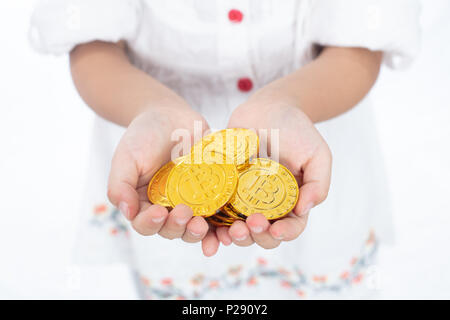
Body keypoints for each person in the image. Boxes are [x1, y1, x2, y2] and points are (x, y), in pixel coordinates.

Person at [29, 0, 420, 299]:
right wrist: (153, 109)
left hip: (309, 130)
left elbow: (360, 46)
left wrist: (289, 103)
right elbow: (91, 46)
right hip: (158, 150)